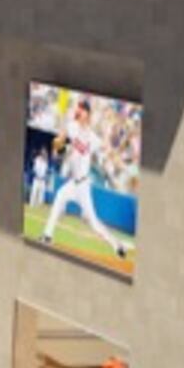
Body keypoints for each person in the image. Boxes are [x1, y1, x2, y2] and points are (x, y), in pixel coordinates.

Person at [40, 97, 133, 263]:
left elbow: (107, 149)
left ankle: (117, 246)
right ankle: (47, 235)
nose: (79, 110)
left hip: (83, 186)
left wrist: (118, 146)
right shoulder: (72, 126)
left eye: (82, 108)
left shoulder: (92, 137)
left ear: (88, 114)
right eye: (79, 107)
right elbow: (58, 143)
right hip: (72, 183)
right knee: (60, 197)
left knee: (94, 224)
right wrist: (59, 143)